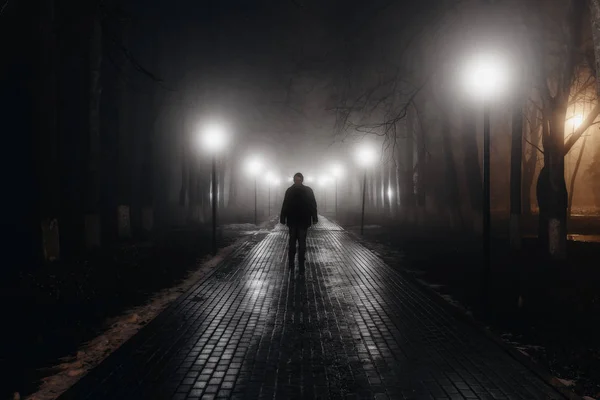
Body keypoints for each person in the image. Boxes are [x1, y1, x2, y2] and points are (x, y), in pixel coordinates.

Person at [280, 172, 318, 268]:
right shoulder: (306, 190)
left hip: (300, 221)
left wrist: (314, 217)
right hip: (297, 221)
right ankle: (295, 261)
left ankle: (297, 261)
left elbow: (312, 204)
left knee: (300, 242)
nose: (297, 182)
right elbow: (285, 204)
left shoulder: (291, 190)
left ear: (301, 180)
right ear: (294, 180)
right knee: (295, 242)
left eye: (299, 180)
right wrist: (283, 217)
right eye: (296, 180)